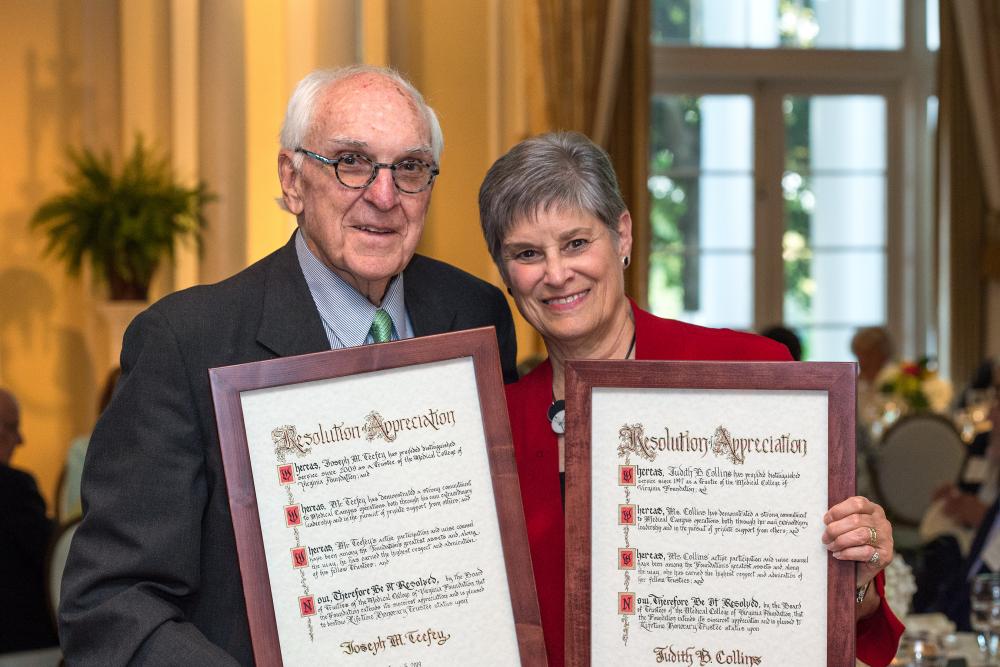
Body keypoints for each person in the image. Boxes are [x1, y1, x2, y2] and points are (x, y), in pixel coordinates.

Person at [59, 65, 517, 664]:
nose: (384, 197)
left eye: (409, 168)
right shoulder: (186, 342)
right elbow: (112, 604)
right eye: (351, 161)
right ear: (293, 179)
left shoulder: (475, 314)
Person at [478, 132, 904, 667]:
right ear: (505, 273)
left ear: (623, 234)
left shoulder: (755, 373)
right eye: (527, 254)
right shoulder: (495, 431)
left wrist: (855, 576)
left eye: (577, 242)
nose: (557, 273)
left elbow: (829, 613)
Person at [0, 388, 58, 653]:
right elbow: (54, 558)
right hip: (23, 649)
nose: (21, 439)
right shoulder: (13, 488)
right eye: (12, 427)